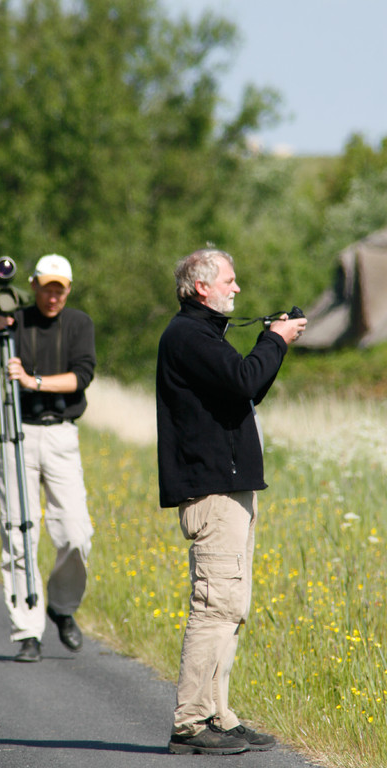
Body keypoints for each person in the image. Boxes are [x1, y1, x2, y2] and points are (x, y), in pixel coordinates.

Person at [156, 248, 307, 755]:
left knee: (231, 607)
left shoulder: (202, 336)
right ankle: (191, 724)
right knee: (215, 607)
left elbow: (243, 386)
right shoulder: (188, 336)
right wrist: (274, 340)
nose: (236, 288)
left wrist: (272, 343)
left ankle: (218, 715)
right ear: (202, 287)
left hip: (229, 491)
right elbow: (248, 378)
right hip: (213, 493)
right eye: (230, 280)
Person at [0, 254, 96, 662]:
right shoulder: (14, 321)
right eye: (46, 287)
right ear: (34, 285)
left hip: (61, 434)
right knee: (19, 532)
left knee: (76, 533)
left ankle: (60, 607)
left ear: (68, 289)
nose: (52, 295)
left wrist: (32, 380)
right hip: (17, 433)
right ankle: (28, 629)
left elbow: (81, 377)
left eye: (59, 288)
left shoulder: (78, 324)